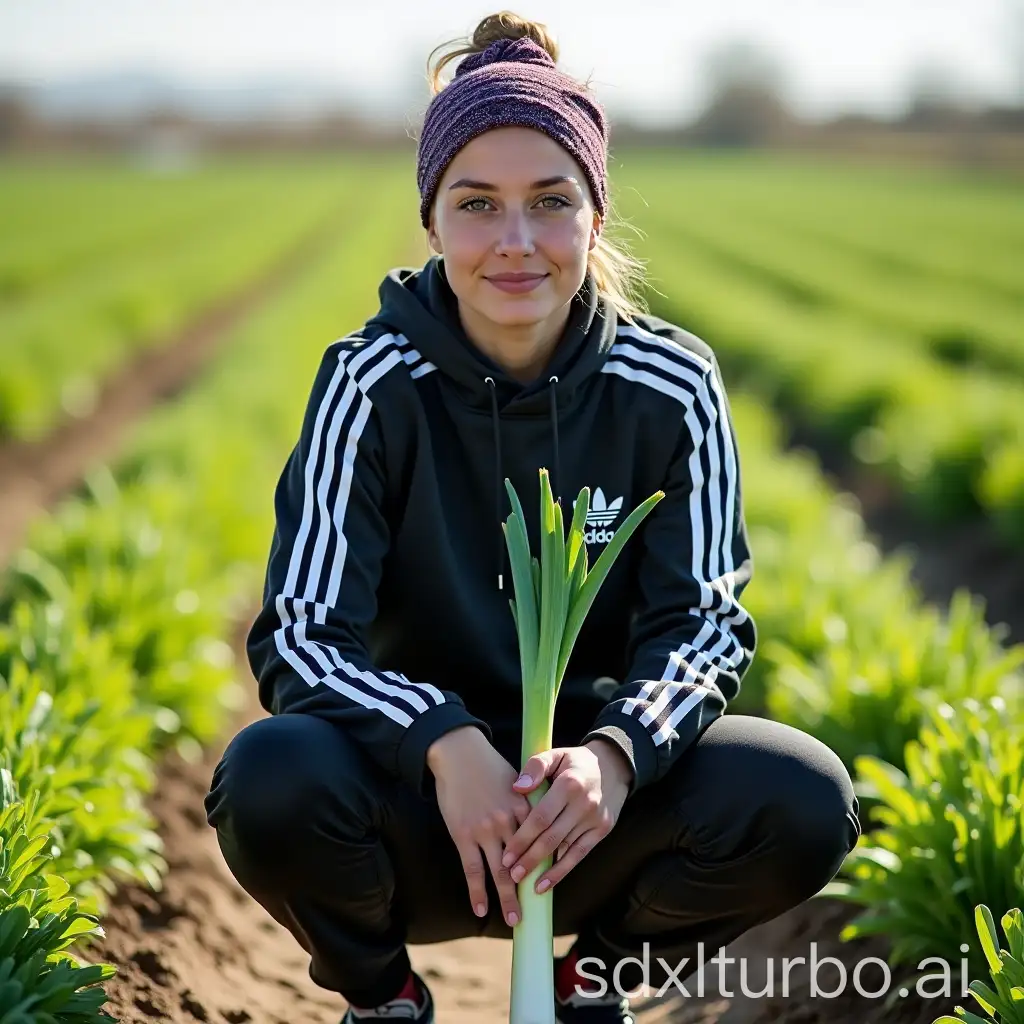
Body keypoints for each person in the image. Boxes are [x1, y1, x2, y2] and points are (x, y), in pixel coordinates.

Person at [204, 11, 861, 1024]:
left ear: (594, 216)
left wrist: (612, 755)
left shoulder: (671, 384)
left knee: (803, 797)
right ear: (431, 221)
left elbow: (704, 624)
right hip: (415, 810)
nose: (515, 241)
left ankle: (586, 981)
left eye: (550, 202)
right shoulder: (369, 382)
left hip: (595, 819)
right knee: (269, 778)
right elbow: (299, 631)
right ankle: (382, 998)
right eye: (477, 204)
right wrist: (441, 738)